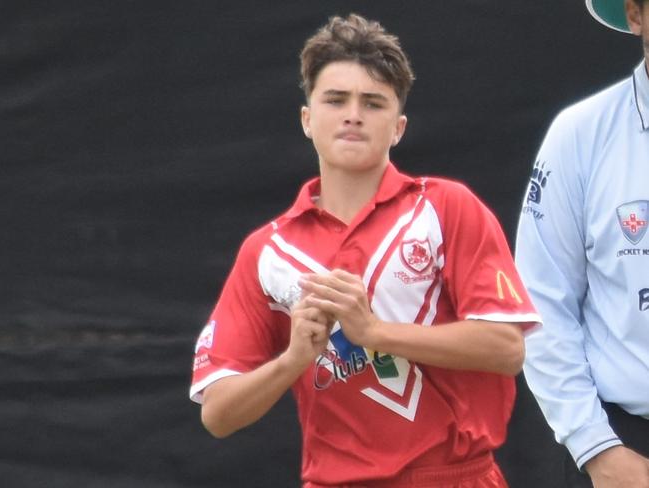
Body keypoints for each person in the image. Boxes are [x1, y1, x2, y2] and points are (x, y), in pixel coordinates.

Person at [191, 13, 540, 488]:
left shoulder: (445, 207)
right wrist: (292, 360)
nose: (353, 114)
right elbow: (218, 414)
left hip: (456, 477)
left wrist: (373, 330)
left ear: (398, 127)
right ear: (307, 120)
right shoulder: (269, 250)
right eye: (336, 100)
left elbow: (506, 349)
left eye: (372, 103)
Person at [515, 1, 649, 487]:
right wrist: (596, 447)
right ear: (635, 15)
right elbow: (541, 302)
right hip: (626, 445)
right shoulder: (580, 134)